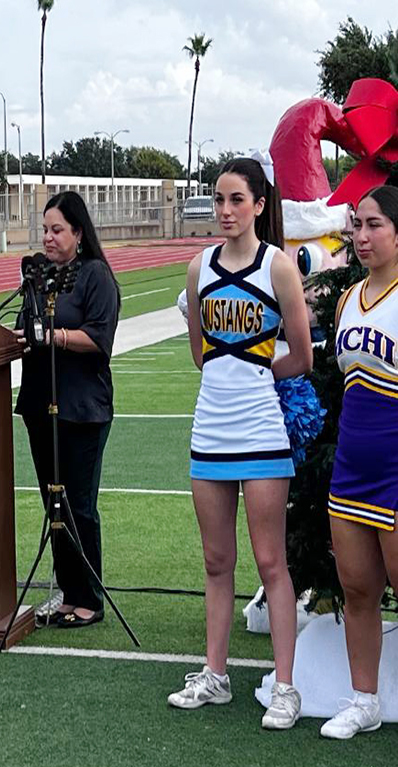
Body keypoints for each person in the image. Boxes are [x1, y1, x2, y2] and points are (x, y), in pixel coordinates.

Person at [170, 158, 312, 728]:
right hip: (211, 427)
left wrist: (254, 374)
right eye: (218, 200)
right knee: (215, 560)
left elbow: (300, 356)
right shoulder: (196, 269)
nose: (224, 211)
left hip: (259, 428)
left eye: (236, 200)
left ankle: (284, 685)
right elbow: (200, 354)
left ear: (258, 204)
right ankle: (216, 674)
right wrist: (233, 371)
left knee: (271, 560)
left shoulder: (278, 267)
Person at [14, 191, 120, 628]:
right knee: (53, 505)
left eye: (58, 229)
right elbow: (25, 329)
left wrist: (55, 336)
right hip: (41, 405)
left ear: (79, 232)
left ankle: (88, 598)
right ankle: (66, 591)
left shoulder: (96, 276)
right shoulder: (39, 279)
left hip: (82, 408)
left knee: (78, 504)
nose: (49, 237)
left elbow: (98, 340)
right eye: (45, 229)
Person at [322, 184, 398, 739]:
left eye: (373, 225)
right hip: (352, 467)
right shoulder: (348, 299)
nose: (361, 235)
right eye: (357, 224)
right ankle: (363, 699)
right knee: (357, 589)